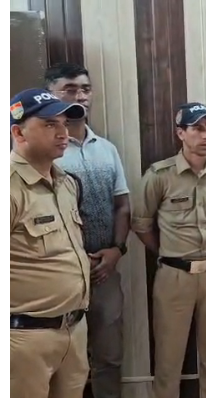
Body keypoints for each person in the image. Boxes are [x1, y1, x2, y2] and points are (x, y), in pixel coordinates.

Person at [131, 102, 206, 398]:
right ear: (180, 133)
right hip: (174, 278)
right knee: (168, 359)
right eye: (197, 129)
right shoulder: (159, 175)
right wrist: (168, 253)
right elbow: (141, 224)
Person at [46, 62, 131, 398]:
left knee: (109, 357)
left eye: (85, 88)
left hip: (104, 273)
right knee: (65, 362)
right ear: (50, 94)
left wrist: (117, 250)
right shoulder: (45, 151)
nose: (79, 95)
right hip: (63, 275)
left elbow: (122, 206)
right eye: (69, 89)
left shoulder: (107, 149)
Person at [10, 88, 91, 398]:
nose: (62, 133)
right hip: (25, 339)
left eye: (64, 124)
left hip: (73, 330)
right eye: (49, 124)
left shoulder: (66, 183)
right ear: (19, 133)